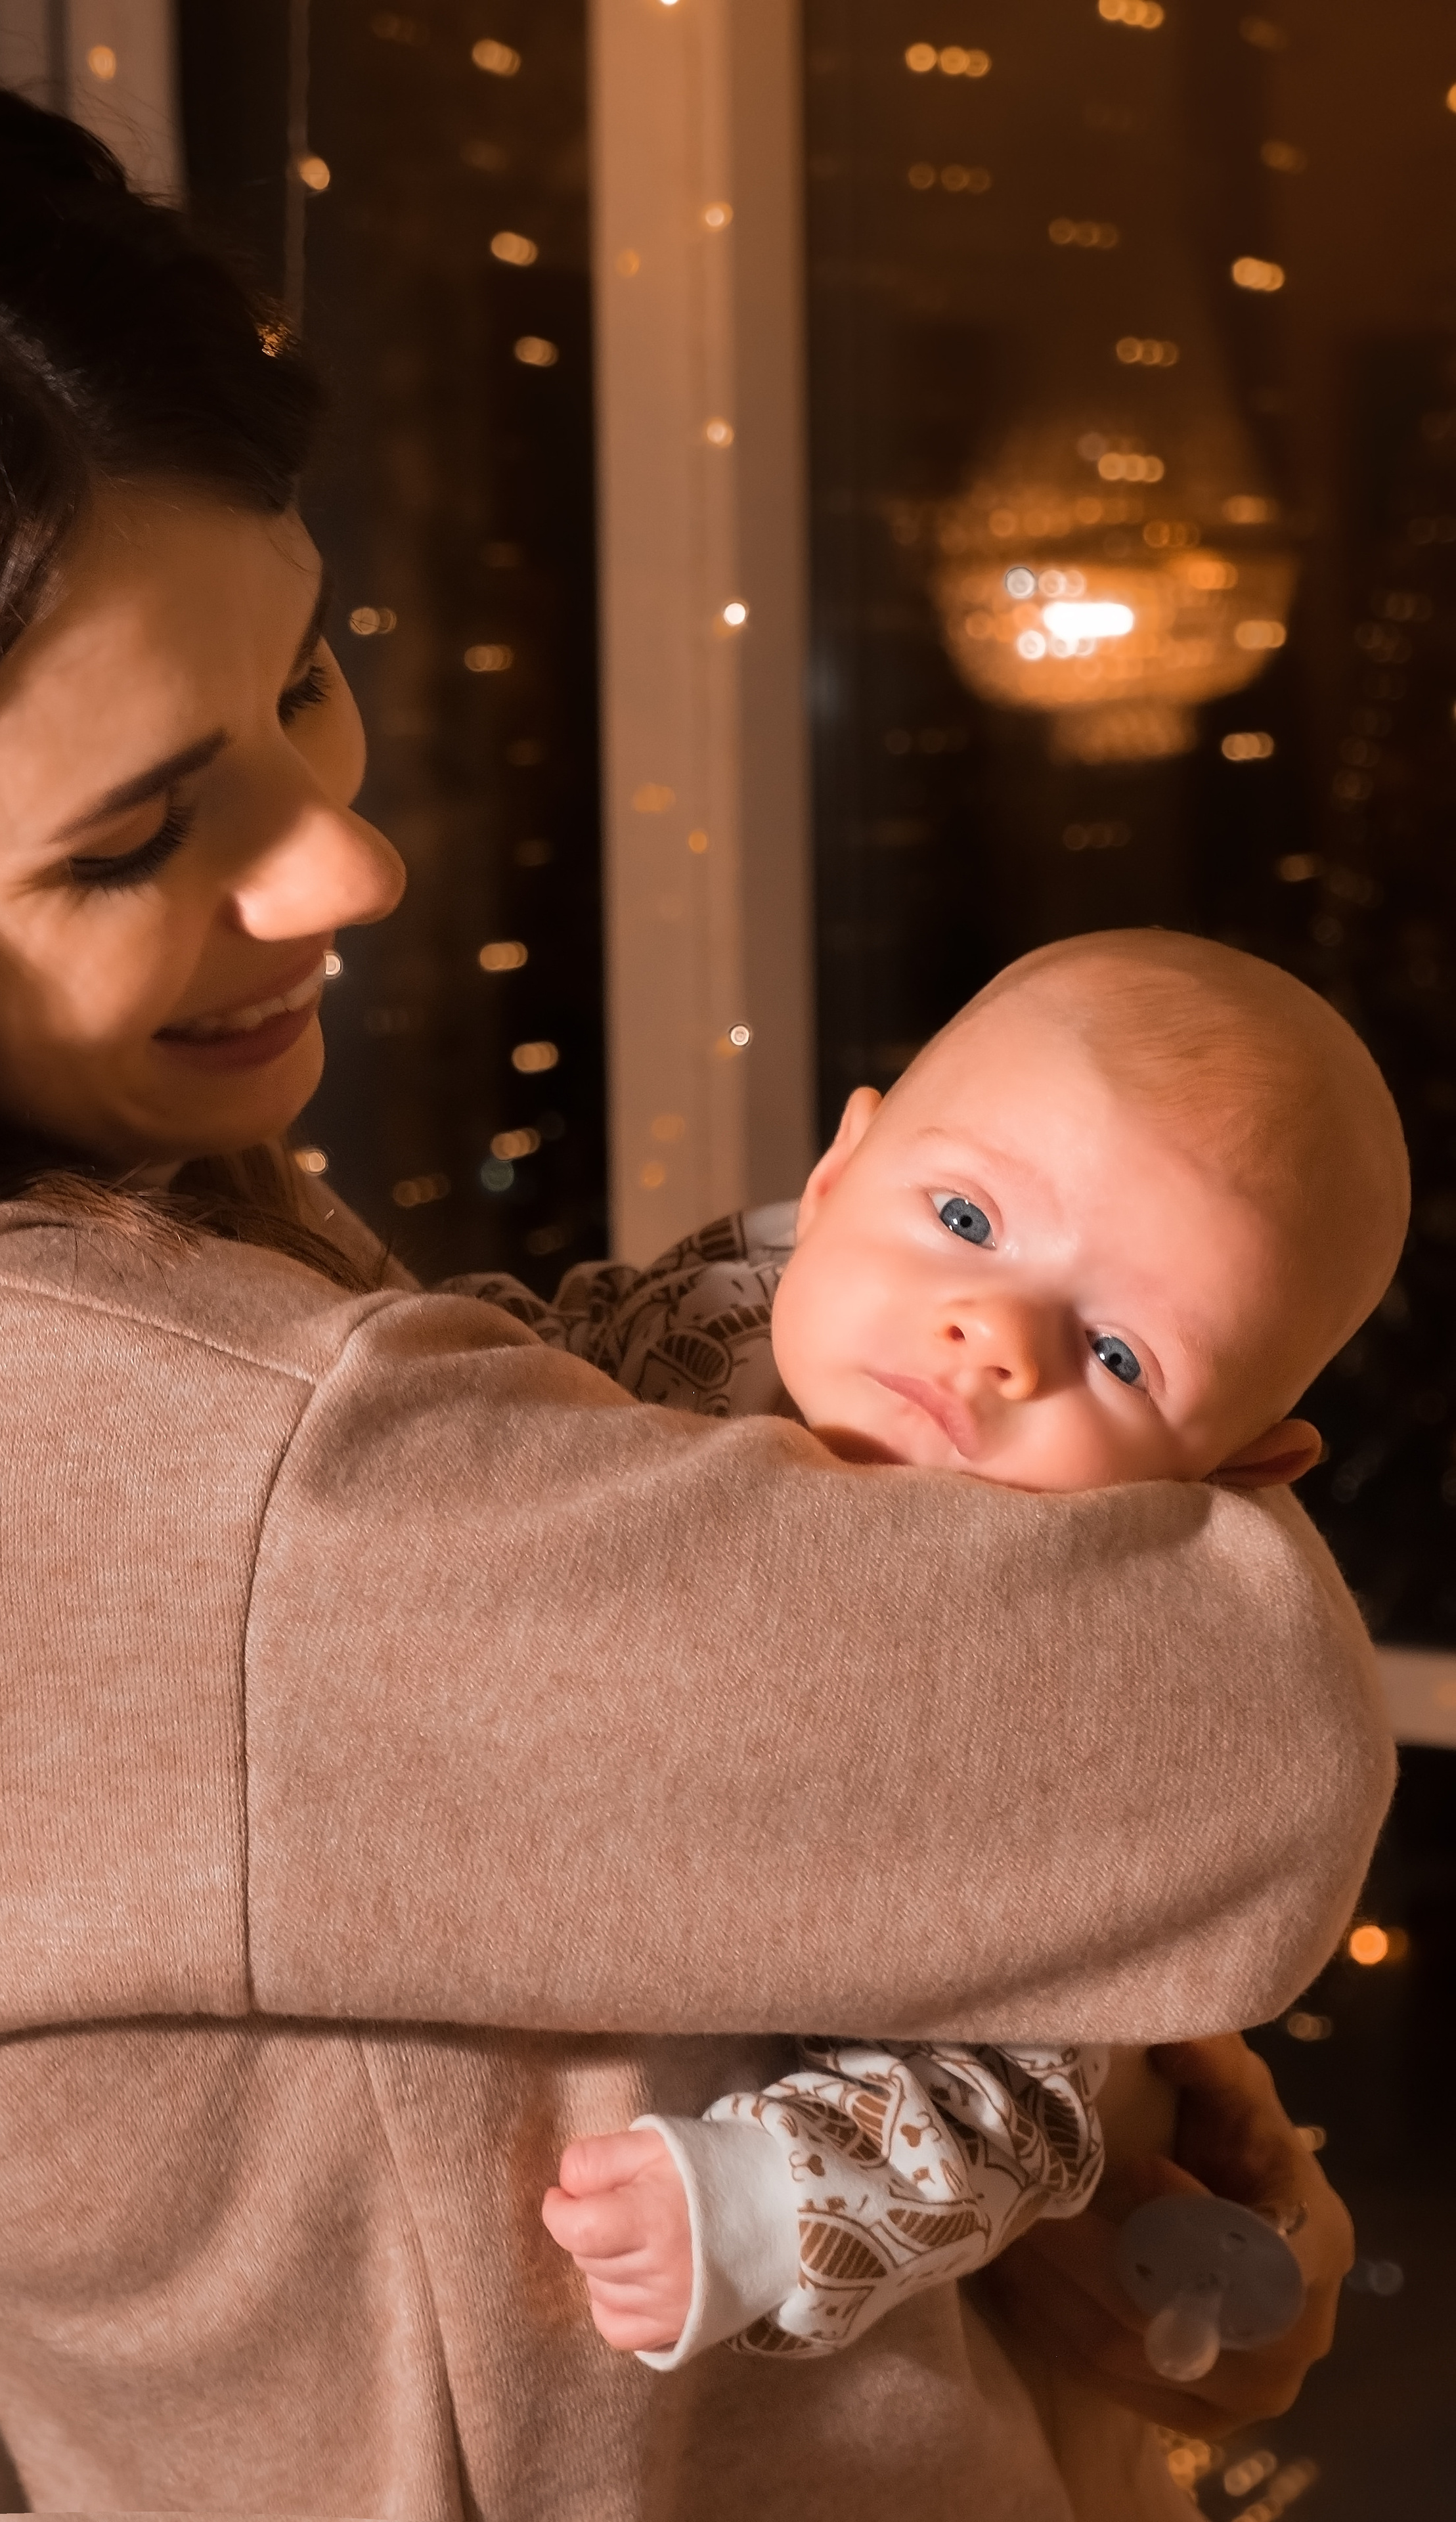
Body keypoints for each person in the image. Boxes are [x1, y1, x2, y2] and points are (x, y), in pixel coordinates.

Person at [0, 72, 1384, 2522]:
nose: (356, 865)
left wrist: (1051, 2156)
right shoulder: (66, 1455)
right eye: (137, 835)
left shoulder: (116, 1243)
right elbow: (1238, 1739)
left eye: (305, 680)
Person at [492, 933, 1401, 2391]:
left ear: (1231, 1469)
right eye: (966, 1216)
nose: (990, 1337)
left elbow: (1025, 2100)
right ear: (840, 1175)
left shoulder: (1092, 1678)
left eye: (1116, 1356)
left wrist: (754, 2208)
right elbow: (494, 1370)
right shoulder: (692, 1329)